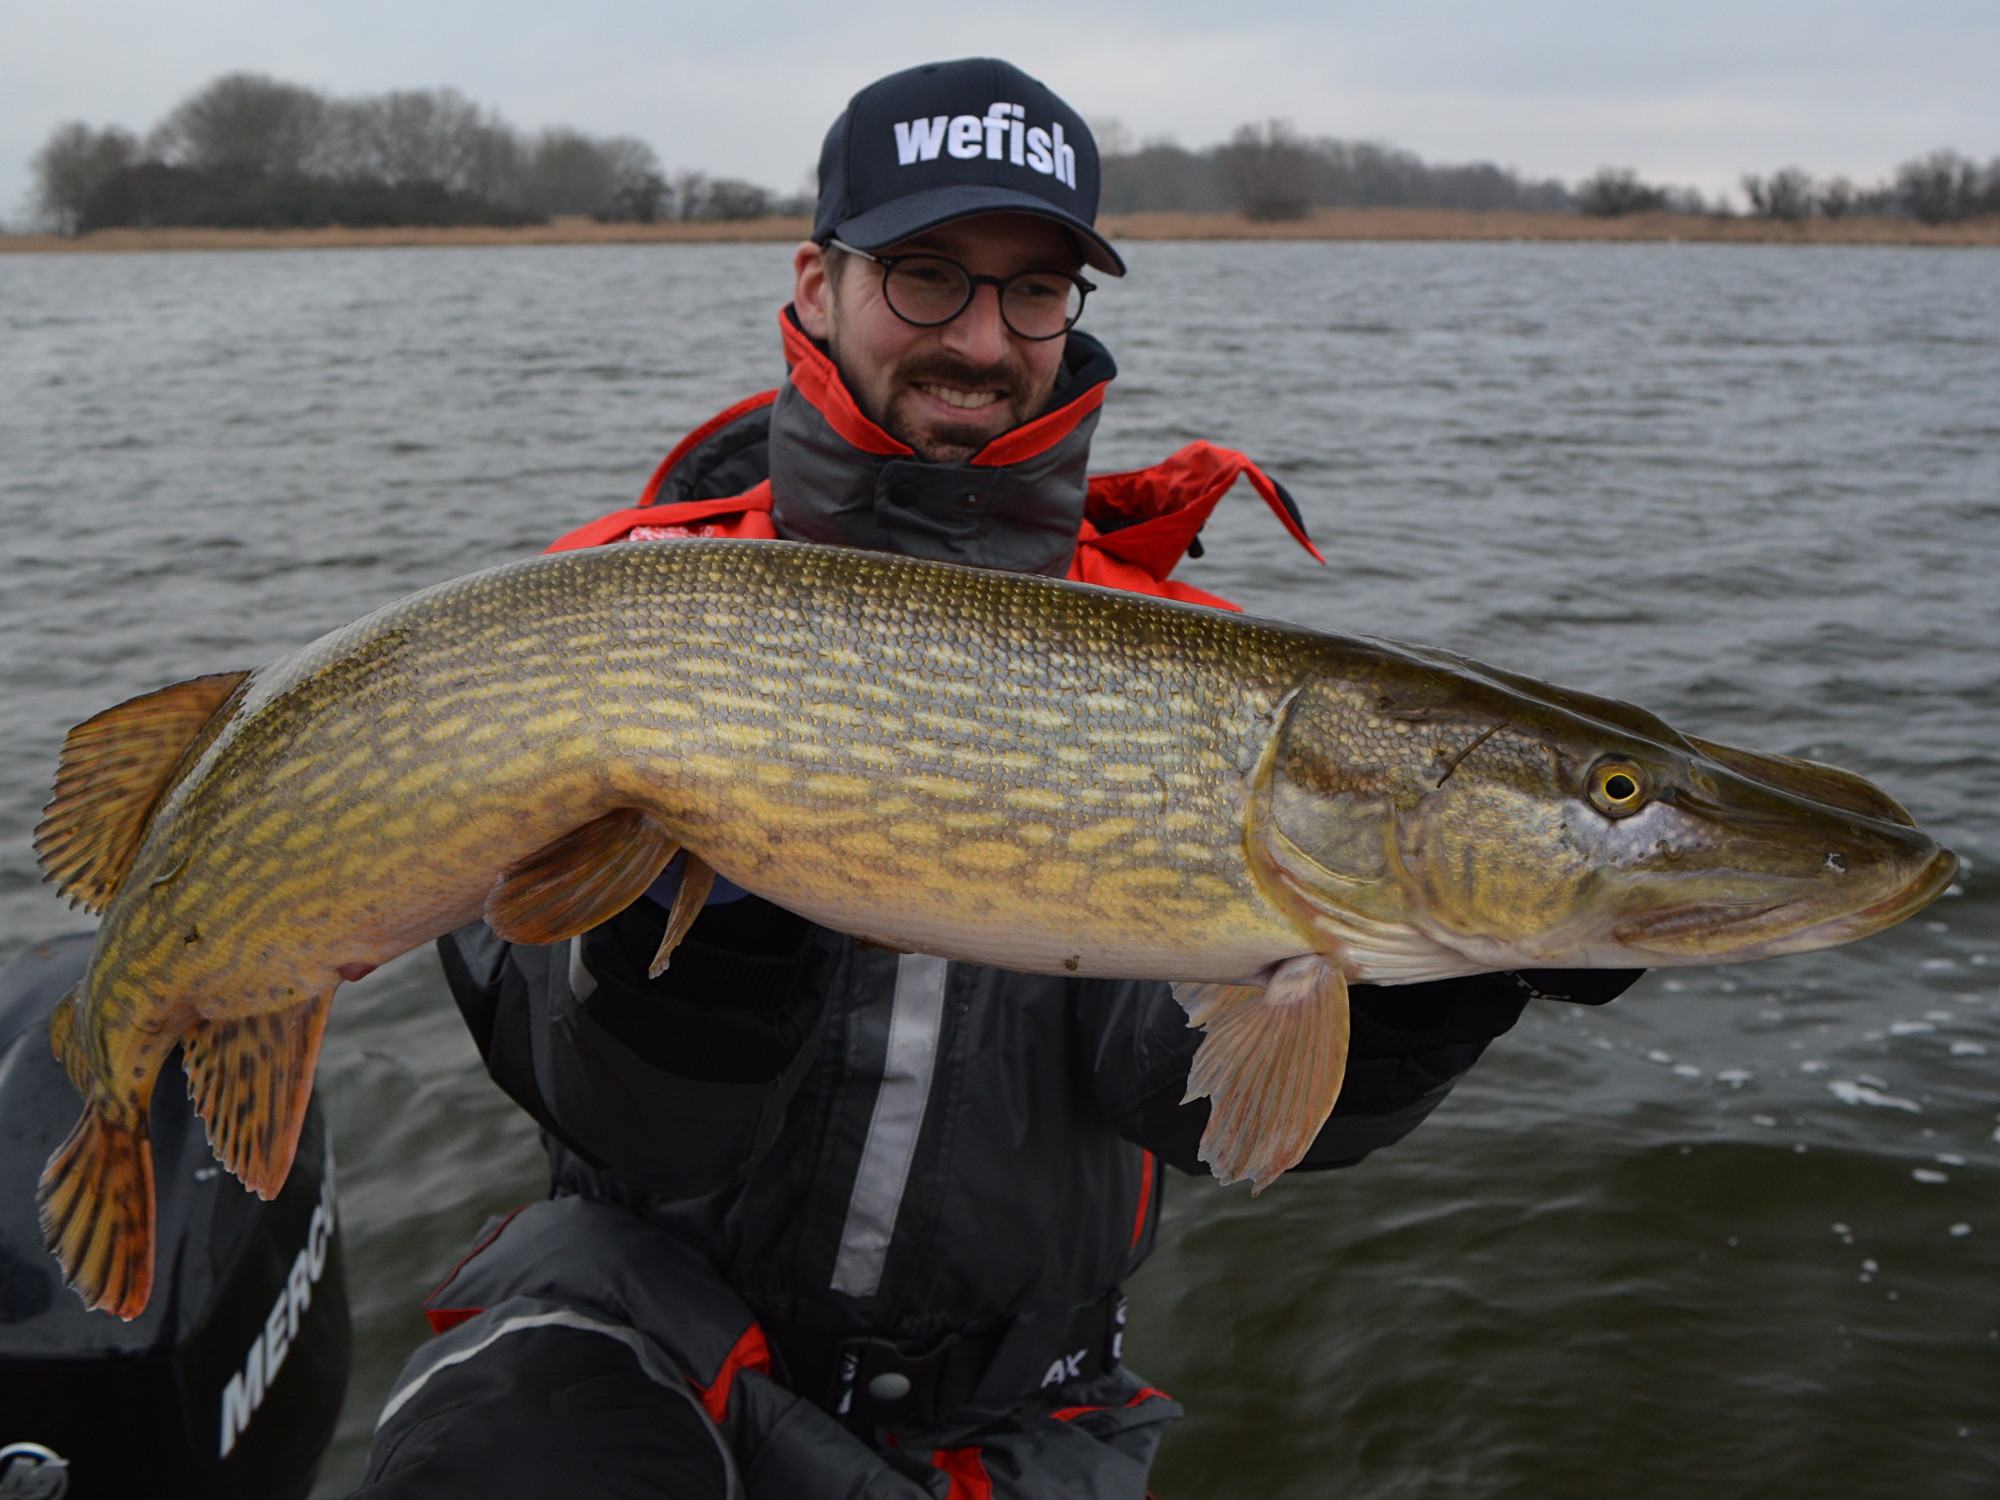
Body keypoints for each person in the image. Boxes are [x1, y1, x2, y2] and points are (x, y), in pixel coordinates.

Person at [353, 58, 1638, 1500]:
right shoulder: (613, 604)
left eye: (1034, 290)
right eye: (924, 275)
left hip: (1018, 1419)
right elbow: (595, 1099)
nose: (981, 336)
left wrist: (1423, 992)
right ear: (816, 278)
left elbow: (1187, 1106)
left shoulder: (1199, 681)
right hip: (631, 1347)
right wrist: (680, 983)